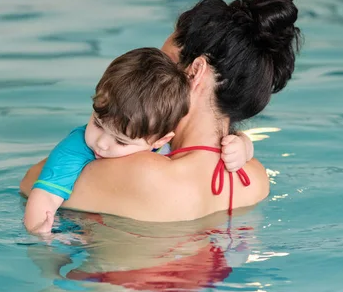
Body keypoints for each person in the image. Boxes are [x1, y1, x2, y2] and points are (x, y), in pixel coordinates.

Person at [20, 0, 301, 222]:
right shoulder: (255, 178)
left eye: (163, 65)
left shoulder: (140, 171)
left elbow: (30, 184)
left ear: (195, 72)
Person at [24, 47, 254, 234]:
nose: (102, 143)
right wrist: (42, 239)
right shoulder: (75, 149)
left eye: (121, 142)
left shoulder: (155, 141)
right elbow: (42, 196)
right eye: (97, 123)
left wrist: (242, 144)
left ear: (160, 140)